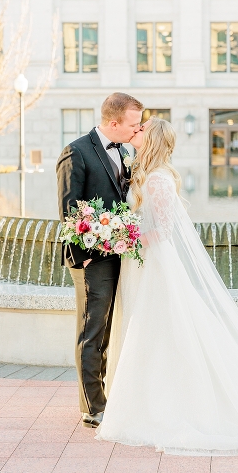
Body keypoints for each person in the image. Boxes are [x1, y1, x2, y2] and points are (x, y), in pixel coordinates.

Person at [95, 117, 238, 455]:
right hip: (139, 264)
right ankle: (144, 397)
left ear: (153, 138)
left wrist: (123, 240)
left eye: (142, 128)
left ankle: (164, 404)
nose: (137, 130)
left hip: (156, 265)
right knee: (146, 331)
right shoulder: (138, 171)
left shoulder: (159, 180)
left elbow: (162, 231)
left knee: (159, 331)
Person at [56, 92, 144, 428]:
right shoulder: (76, 152)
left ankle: (101, 399)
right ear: (113, 122)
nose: (137, 131)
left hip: (118, 254)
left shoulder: (122, 151)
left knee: (107, 331)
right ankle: (93, 408)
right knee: (92, 331)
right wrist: (85, 257)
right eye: (133, 124)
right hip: (92, 259)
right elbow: (69, 209)